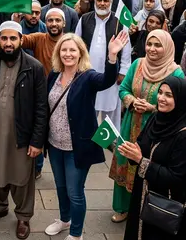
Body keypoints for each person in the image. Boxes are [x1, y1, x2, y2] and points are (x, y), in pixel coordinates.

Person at [44, 31, 129, 240]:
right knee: (61, 187)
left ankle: (76, 234)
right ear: (58, 53)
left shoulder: (88, 77)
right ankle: (65, 220)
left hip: (77, 147)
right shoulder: (54, 75)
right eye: (64, 49)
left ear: (80, 53)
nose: (68, 54)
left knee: (75, 192)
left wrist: (112, 57)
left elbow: (107, 81)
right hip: (55, 144)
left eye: (72, 50)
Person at [0, 21, 47, 240]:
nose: (8, 43)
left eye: (12, 38)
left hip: (21, 133)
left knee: (22, 175)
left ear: (21, 40)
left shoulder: (34, 67)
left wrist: (37, 141)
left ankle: (23, 216)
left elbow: (41, 108)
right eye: (4, 38)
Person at [109, 30, 184, 223]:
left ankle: (149, 207)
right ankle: (123, 207)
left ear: (167, 48)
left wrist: (153, 107)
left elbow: (179, 103)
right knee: (125, 160)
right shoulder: (137, 64)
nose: (152, 49)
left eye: (158, 45)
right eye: (149, 44)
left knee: (148, 166)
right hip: (130, 124)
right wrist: (132, 101)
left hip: (157, 130)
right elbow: (123, 88)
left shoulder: (175, 72)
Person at [120, 77, 186, 239]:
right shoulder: (155, 118)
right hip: (141, 194)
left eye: (169, 95)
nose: (161, 98)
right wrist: (131, 152)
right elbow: (142, 144)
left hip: (165, 203)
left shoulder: (183, 134)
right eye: (161, 92)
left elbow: (177, 178)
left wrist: (142, 161)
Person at [75, 0, 132, 133]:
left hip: (111, 73)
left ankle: (109, 142)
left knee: (111, 110)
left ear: (111, 3)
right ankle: (88, 139)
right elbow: (76, 44)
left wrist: (123, 71)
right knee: (88, 107)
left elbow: (126, 50)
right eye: (99, 0)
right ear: (95, 2)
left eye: (105, 1)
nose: (102, 4)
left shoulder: (120, 22)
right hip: (88, 73)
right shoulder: (85, 19)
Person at [20, 8, 66, 76]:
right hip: (42, 84)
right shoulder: (38, 38)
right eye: (50, 20)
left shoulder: (70, 42)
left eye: (58, 20)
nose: (54, 24)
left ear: (64, 23)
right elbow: (19, 39)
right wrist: (15, 21)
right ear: (45, 23)